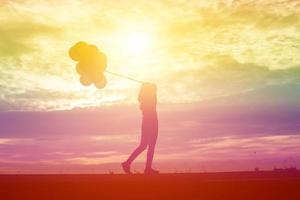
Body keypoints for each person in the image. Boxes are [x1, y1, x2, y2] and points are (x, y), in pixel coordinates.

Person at [122, 83, 159, 174]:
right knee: (150, 146)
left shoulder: (143, 100)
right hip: (152, 122)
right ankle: (147, 168)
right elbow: (154, 96)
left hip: (146, 122)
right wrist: (152, 88)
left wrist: (148, 87)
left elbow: (152, 94)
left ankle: (128, 163)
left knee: (143, 145)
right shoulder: (149, 99)